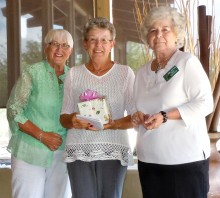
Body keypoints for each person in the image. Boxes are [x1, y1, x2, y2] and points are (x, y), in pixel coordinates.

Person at [131, 6, 214, 198]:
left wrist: (165, 116)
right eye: (153, 30)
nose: (158, 34)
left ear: (177, 33)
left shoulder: (187, 63)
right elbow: (139, 109)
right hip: (149, 161)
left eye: (165, 29)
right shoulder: (142, 72)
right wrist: (138, 117)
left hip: (184, 162)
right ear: (147, 37)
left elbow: (205, 103)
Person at [60, 17, 135, 198]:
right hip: (79, 150)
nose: (98, 45)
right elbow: (63, 117)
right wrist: (73, 120)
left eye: (104, 40)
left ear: (112, 44)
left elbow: (135, 117)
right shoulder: (74, 74)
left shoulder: (125, 73)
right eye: (93, 39)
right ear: (85, 44)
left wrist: (113, 124)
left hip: (114, 149)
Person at [7, 29, 73, 198]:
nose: (59, 49)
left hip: (62, 153)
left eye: (65, 45)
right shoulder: (32, 72)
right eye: (54, 44)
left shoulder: (74, 76)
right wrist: (42, 135)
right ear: (46, 48)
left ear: (70, 51)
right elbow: (15, 109)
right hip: (30, 151)